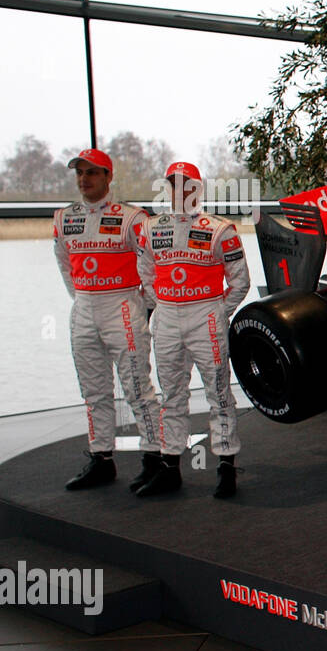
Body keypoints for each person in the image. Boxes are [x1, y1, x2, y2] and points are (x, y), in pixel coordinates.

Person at [134, 162, 250, 497]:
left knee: (218, 392)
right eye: (174, 185)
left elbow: (240, 281)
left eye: (188, 185)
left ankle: (226, 465)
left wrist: (215, 312)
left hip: (207, 316)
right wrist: (167, 304)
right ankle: (171, 467)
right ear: (166, 189)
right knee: (171, 395)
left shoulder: (220, 229)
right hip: (167, 316)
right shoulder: (151, 228)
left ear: (198, 190)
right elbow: (146, 274)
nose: (180, 191)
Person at [53, 148, 164, 491]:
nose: (84, 179)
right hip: (84, 308)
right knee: (93, 391)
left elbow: (153, 267)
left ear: (108, 176)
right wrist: (86, 297)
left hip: (124, 308)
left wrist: (141, 305)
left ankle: (155, 459)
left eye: (92, 173)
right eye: (79, 173)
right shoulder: (63, 218)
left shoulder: (134, 218)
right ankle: (101, 459)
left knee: (136, 388)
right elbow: (63, 265)